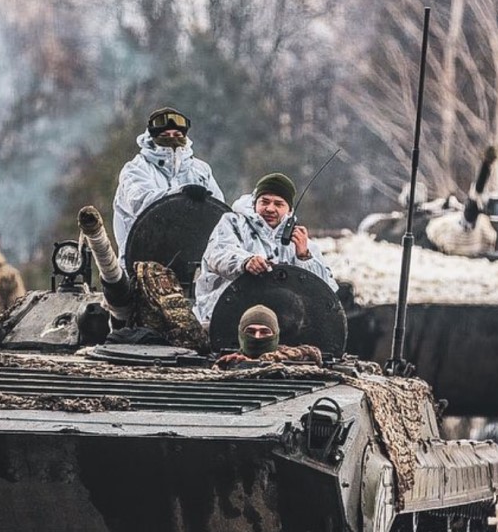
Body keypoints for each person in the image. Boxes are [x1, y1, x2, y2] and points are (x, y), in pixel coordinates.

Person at [193, 172, 336, 330]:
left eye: (278, 204)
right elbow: (219, 253)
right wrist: (245, 262)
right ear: (255, 203)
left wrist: (304, 257)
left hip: (283, 326)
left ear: (289, 210)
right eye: (265, 202)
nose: (270, 209)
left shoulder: (300, 242)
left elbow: (327, 292)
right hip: (226, 315)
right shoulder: (233, 223)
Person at [111, 106, 224, 259]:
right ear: (152, 138)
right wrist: (181, 194)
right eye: (165, 135)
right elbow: (141, 203)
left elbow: (218, 213)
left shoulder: (201, 170)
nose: (172, 139)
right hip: (141, 263)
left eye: (177, 134)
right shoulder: (135, 169)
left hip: (194, 264)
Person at [426, 146, 498, 256]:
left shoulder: (450, 223)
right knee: (473, 203)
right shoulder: (444, 223)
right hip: (457, 238)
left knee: (474, 202)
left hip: (463, 237)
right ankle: (486, 164)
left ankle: (486, 164)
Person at [213, 305, 324, 368]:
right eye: (250, 332)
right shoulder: (227, 362)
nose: (257, 337)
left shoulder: (289, 356)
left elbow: (313, 352)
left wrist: (260, 361)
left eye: (264, 332)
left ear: (275, 335)